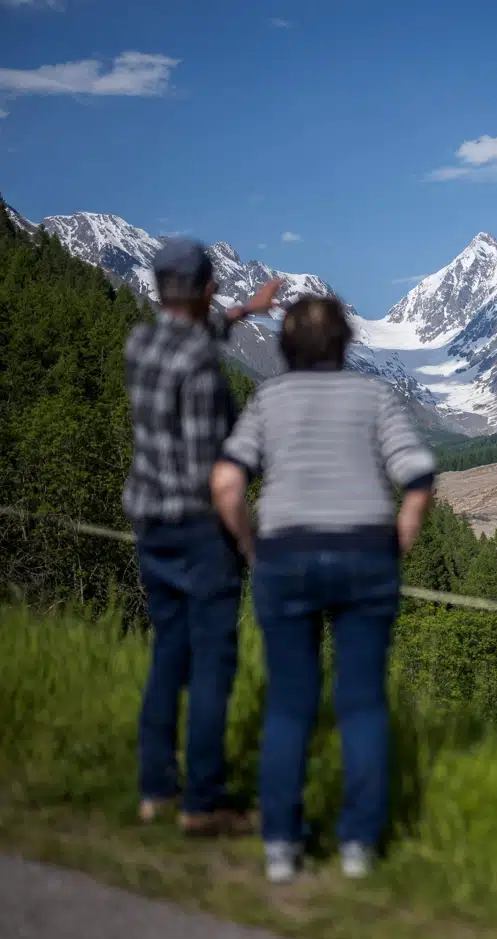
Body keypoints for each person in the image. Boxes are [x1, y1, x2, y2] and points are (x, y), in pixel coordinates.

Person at [210, 296, 434, 883]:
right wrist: (401, 534)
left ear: (286, 347)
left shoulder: (269, 400)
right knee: (361, 701)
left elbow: (228, 484)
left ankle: (282, 846)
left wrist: (251, 548)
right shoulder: (374, 396)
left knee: (289, 704)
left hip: (285, 557)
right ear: (344, 343)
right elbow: (417, 476)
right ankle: (359, 846)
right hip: (366, 554)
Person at [123, 238, 280, 836]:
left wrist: (247, 311)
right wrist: (248, 546)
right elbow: (222, 481)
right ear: (208, 288)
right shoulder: (204, 373)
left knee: (168, 652)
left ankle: (156, 790)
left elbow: (197, 329)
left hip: (150, 522)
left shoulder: (142, 344)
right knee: (214, 663)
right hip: (199, 530)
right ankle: (204, 802)